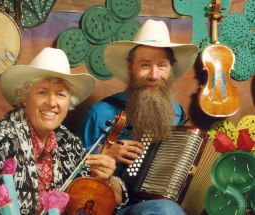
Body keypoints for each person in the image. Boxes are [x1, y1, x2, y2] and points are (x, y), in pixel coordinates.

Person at [0, 48, 128, 214]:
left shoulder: (68, 142)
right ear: (24, 98)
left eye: (60, 94)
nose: (52, 103)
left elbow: (103, 198)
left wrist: (106, 178)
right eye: (42, 92)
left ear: (69, 102)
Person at [77, 19, 198, 214]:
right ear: (129, 68)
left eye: (162, 66)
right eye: (145, 65)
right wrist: (106, 152)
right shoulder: (100, 113)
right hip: (106, 207)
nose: (153, 75)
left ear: (170, 70)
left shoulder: (176, 113)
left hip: (155, 204)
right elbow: (71, 171)